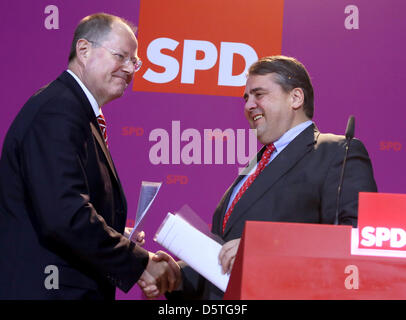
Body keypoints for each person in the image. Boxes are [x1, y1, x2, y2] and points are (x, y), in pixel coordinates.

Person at [139, 55, 378, 300]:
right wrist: (177, 276)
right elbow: (226, 253)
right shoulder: (255, 165)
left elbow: (358, 239)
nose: (248, 105)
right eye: (246, 97)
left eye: (259, 94)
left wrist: (263, 247)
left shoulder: (338, 152)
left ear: (295, 98)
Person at [0, 13, 179, 300]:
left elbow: (60, 205)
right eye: (121, 56)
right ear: (83, 50)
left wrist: (120, 235)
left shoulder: (75, 111)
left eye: (134, 62)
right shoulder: (58, 110)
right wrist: (138, 261)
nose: (130, 69)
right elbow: (64, 214)